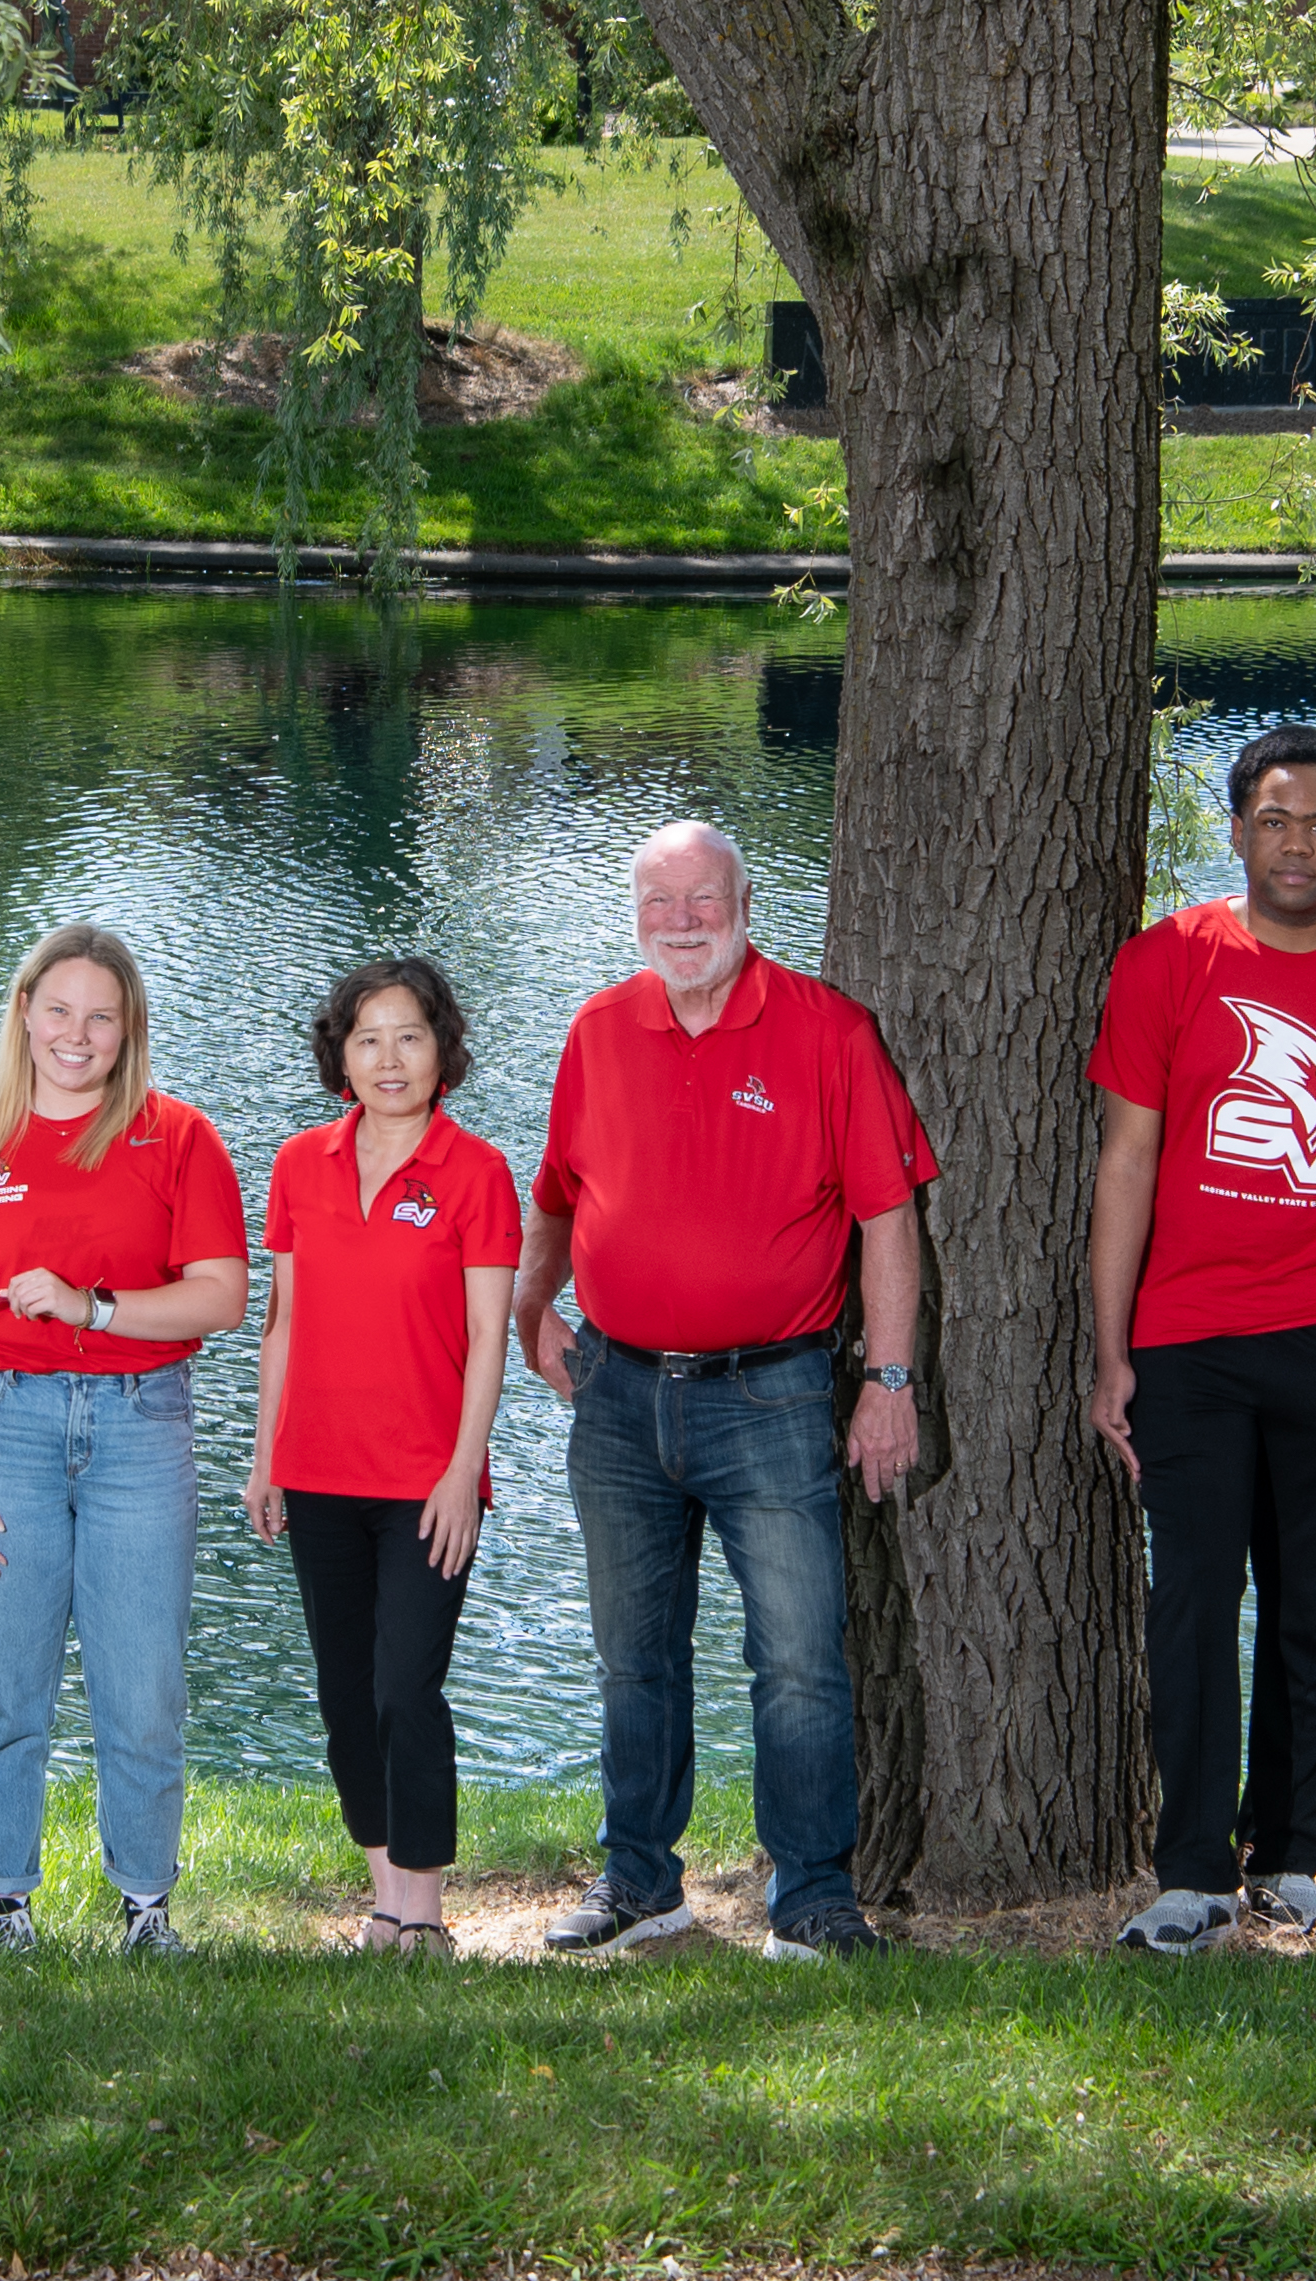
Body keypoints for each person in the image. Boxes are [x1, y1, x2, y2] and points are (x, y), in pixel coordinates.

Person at [510, 821, 932, 1964]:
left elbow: (887, 1217)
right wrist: (527, 1311)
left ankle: (812, 1899)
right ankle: (641, 1884)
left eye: (704, 899)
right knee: (632, 1655)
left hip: (774, 1394)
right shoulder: (599, 1029)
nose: (682, 922)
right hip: (616, 1394)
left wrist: (889, 1379)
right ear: (635, 914)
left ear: (746, 902)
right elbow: (556, 1191)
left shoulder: (824, 1030)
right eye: (660, 903)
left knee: (798, 1657)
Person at [1088, 726, 1316, 1955]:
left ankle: (1288, 1855)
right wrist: (1112, 1350)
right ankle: (1191, 1871)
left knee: (1312, 1611)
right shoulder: (1167, 961)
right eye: (1274, 819)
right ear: (1238, 828)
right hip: (1189, 1344)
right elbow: (1127, 1161)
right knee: (1192, 1603)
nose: (1296, 844)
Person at [0, 923, 246, 1957]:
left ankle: (145, 1903)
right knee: (6, 1680)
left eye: (102, 1015)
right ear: (23, 1012)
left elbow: (222, 1296)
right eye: (58, 1009)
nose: (77, 1034)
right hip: (2, 1425)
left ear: (128, 1027)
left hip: (142, 1424)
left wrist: (94, 1307)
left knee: (141, 1685)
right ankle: (5, 1902)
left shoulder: (177, 1135)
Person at [242, 957, 519, 1956]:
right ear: (340, 1055)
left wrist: (461, 1470)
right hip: (315, 1469)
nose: (388, 1057)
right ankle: (383, 1901)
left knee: (407, 1684)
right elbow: (280, 1318)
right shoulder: (297, 1165)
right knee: (345, 1693)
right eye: (367, 1038)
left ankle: (428, 1912)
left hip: (424, 1481)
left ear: (441, 1047)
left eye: (409, 1034)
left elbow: (488, 1336)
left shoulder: (475, 1171)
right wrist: (264, 1453)